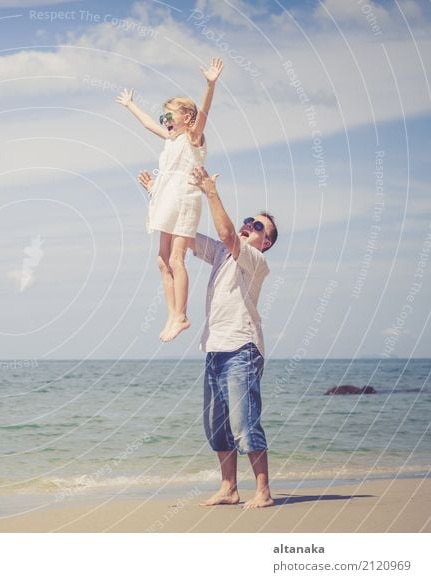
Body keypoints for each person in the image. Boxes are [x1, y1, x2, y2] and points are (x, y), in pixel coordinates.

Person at [139, 166, 277, 509]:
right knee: (217, 427)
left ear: (266, 242)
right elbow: (182, 233)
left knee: (244, 423)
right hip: (215, 349)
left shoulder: (255, 260)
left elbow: (228, 234)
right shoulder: (219, 254)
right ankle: (229, 488)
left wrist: (211, 192)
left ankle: (263, 491)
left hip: (243, 349)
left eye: (258, 226)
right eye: (249, 220)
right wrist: (159, 195)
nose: (250, 226)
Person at [116, 58, 224, 342]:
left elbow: (205, 113)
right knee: (162, 261)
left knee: (177, 258)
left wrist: (210, 85)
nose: (165, 121)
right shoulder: (171, 139)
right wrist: (130, 106)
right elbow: (149, 125)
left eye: (169, 116)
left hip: (185, 200)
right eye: (164, 117)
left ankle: (182, 315)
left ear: (186, 117)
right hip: (166, 200)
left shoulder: (194, 137)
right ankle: (173, 314)